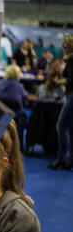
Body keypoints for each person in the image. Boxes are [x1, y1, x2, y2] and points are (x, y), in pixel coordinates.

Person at [49, 34, 73, 170]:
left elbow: (70, 80)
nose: (64, 46)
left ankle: (61, 159)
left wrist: (59, 81)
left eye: (67, 44)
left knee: (61, 126)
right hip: (70, 95)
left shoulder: (72, 59)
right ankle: (69, 159)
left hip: (72, 95)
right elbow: (66, 76)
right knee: (70, 128)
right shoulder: (69, 59)